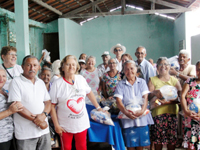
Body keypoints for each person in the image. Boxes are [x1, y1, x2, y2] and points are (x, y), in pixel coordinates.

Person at [50, 55, 103, 150]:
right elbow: (52, 106)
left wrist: (98, 108)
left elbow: (89, 93)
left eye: (73, 65)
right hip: (64, 125)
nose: (71, 67)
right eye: (68, 64)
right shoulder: (57, 84)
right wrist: (57, 125)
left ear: (77, 67)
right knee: (66, 148)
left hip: (81, 123)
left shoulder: (81, 79)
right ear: (62, 67)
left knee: (82, 147)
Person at [8, 55, 51, 150]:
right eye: (29, 65)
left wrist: (43, 115)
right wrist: (38, 121)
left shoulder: (40, 82)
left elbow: (48, 102)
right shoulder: (16, 82)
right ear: (22, 67)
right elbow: (17, 106)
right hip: (26, 134)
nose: (32, 68)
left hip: (44, 132)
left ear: (38, 67)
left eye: (35, 65)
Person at [114, 60, 154, 150]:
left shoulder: (142, 82)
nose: (129, 71)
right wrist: (126, 113)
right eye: (126, 69)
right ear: (124, 71)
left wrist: (142, 111)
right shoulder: (121, 84)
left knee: (140, 145)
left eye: (132, 68)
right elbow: (118, 101)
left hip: (142, 118)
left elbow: (145, 98)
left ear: (136, 69)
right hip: (127, 119)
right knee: (130, 146)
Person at [148, 57, 182, 150]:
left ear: (169, 66)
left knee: (171, 139)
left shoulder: (174, 80)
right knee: (158, 139)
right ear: (157, 67)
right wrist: (154, 92)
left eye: (165, 64)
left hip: (171, 113)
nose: (163, 66)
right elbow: (148, 97)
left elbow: (180, 99)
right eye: (160, 64)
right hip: (157, 113)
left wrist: (167, 102)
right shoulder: (152, 79)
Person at [0, 68, 23, 150]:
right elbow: (9, 111)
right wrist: (9, 111)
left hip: (9, 135)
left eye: (3, 76)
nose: (1, 79)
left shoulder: (4, 91)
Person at [181, 60, 200, 150]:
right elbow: (183, 95)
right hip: (189, 116)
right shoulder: (190, 81)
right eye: (198, 70)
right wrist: (186, 110)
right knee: (190, 146)